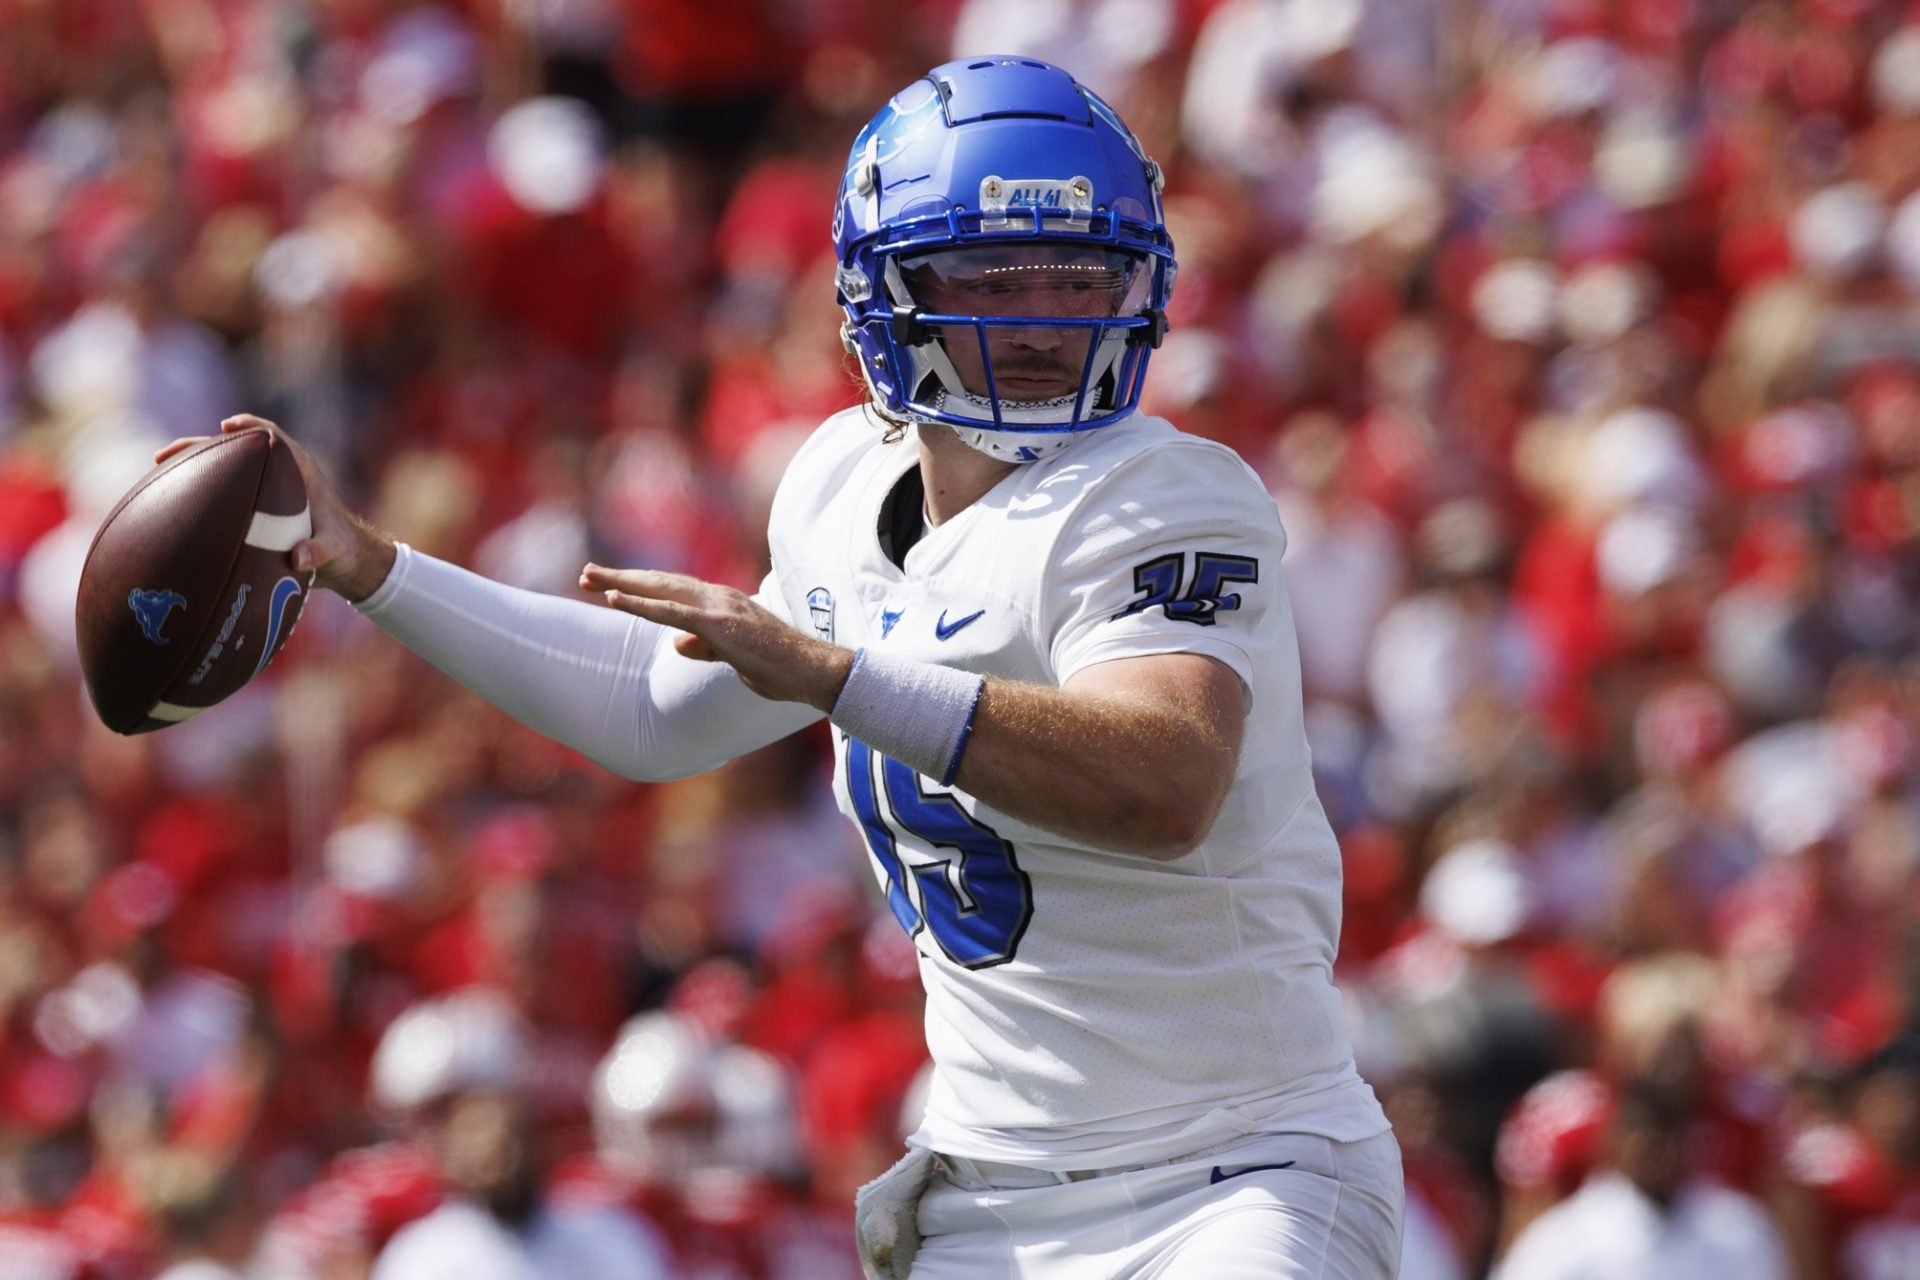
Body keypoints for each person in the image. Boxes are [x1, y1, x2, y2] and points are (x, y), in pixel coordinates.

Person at [163, 56, 1401, 1279]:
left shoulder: (1163, 492)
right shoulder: (841, 488)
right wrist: (375, 566)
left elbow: (1167, 781)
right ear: (881, 294)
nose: (1037, 320)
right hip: (994, 1200)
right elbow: (651, 709)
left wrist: (839, 676)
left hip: (1235, 1175)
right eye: (988, 277)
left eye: (1079, 279)